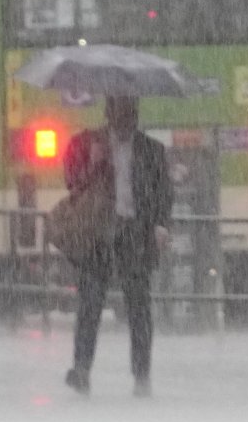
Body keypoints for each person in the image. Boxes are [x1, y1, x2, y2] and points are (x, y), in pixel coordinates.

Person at [62, 96, 173, 398]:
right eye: (121, 115)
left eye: (131, 115)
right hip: (97, 232)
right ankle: (82, 369)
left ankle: (141, 374)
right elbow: (72, 183)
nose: (126, 122)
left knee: (138, 308)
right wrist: (94, 164)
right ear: (108, 115)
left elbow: (163, 192)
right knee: (90, 304)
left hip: (135, 233)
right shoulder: (85, 144)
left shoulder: (152, 150)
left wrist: (161, 224)